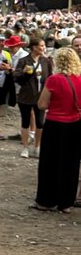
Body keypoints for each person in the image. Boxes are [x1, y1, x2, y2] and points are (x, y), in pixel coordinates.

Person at [31, 47, 81, 212]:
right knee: (71, 163)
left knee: (50, 163)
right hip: (75, 124)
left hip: (55, 124)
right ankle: (66, 203)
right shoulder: (80, 79)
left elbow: (42, 104)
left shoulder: (53, 80)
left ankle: (46, 201)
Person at [14, 36, 52, 160]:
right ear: (34, 47)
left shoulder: (46, 61)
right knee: (25, 122)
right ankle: (25, 147)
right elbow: (16, 77)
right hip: (25, 96)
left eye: (44, 45)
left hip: (41, 97)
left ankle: (37, 147)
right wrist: (24, 72)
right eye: (41, 46)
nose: (43, 48)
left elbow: (50, 78)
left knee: (40, 123)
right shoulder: (23, 61)